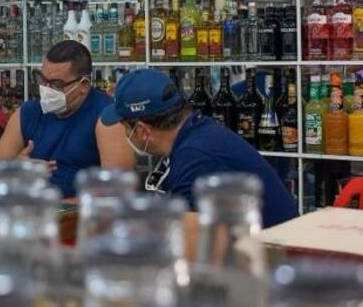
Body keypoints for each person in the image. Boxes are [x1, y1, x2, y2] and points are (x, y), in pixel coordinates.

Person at [100, 68, 298, 228]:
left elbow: (191, 244)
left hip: (273, 258)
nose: (125, 134)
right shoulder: (197, 132)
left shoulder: (195, 159)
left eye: (126, 127)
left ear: (142, 130)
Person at [0, 40, 134, 197]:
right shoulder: (27, 113)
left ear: (84, 85)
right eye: (42, 80)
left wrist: (57, 206)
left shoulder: (107, 117)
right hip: (28, 205)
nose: (46, 90)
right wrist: (12, 170)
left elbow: (116, 191)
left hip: (77, 209)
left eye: (56, 84)